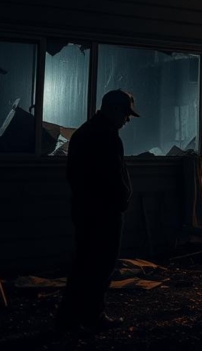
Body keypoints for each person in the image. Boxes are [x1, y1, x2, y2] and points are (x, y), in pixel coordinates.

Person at [56, 89, 139, 331]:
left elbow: (75, 175)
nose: (127, 119)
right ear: (113, 109)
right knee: (100, 265)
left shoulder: (85, 133)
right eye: (125, 113)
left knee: (85, 263)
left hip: (87, 210)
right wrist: (120, 199)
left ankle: (70, 317)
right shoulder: (106, 136)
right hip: (104, 212)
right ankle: (92, 316)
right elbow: (111, 176)